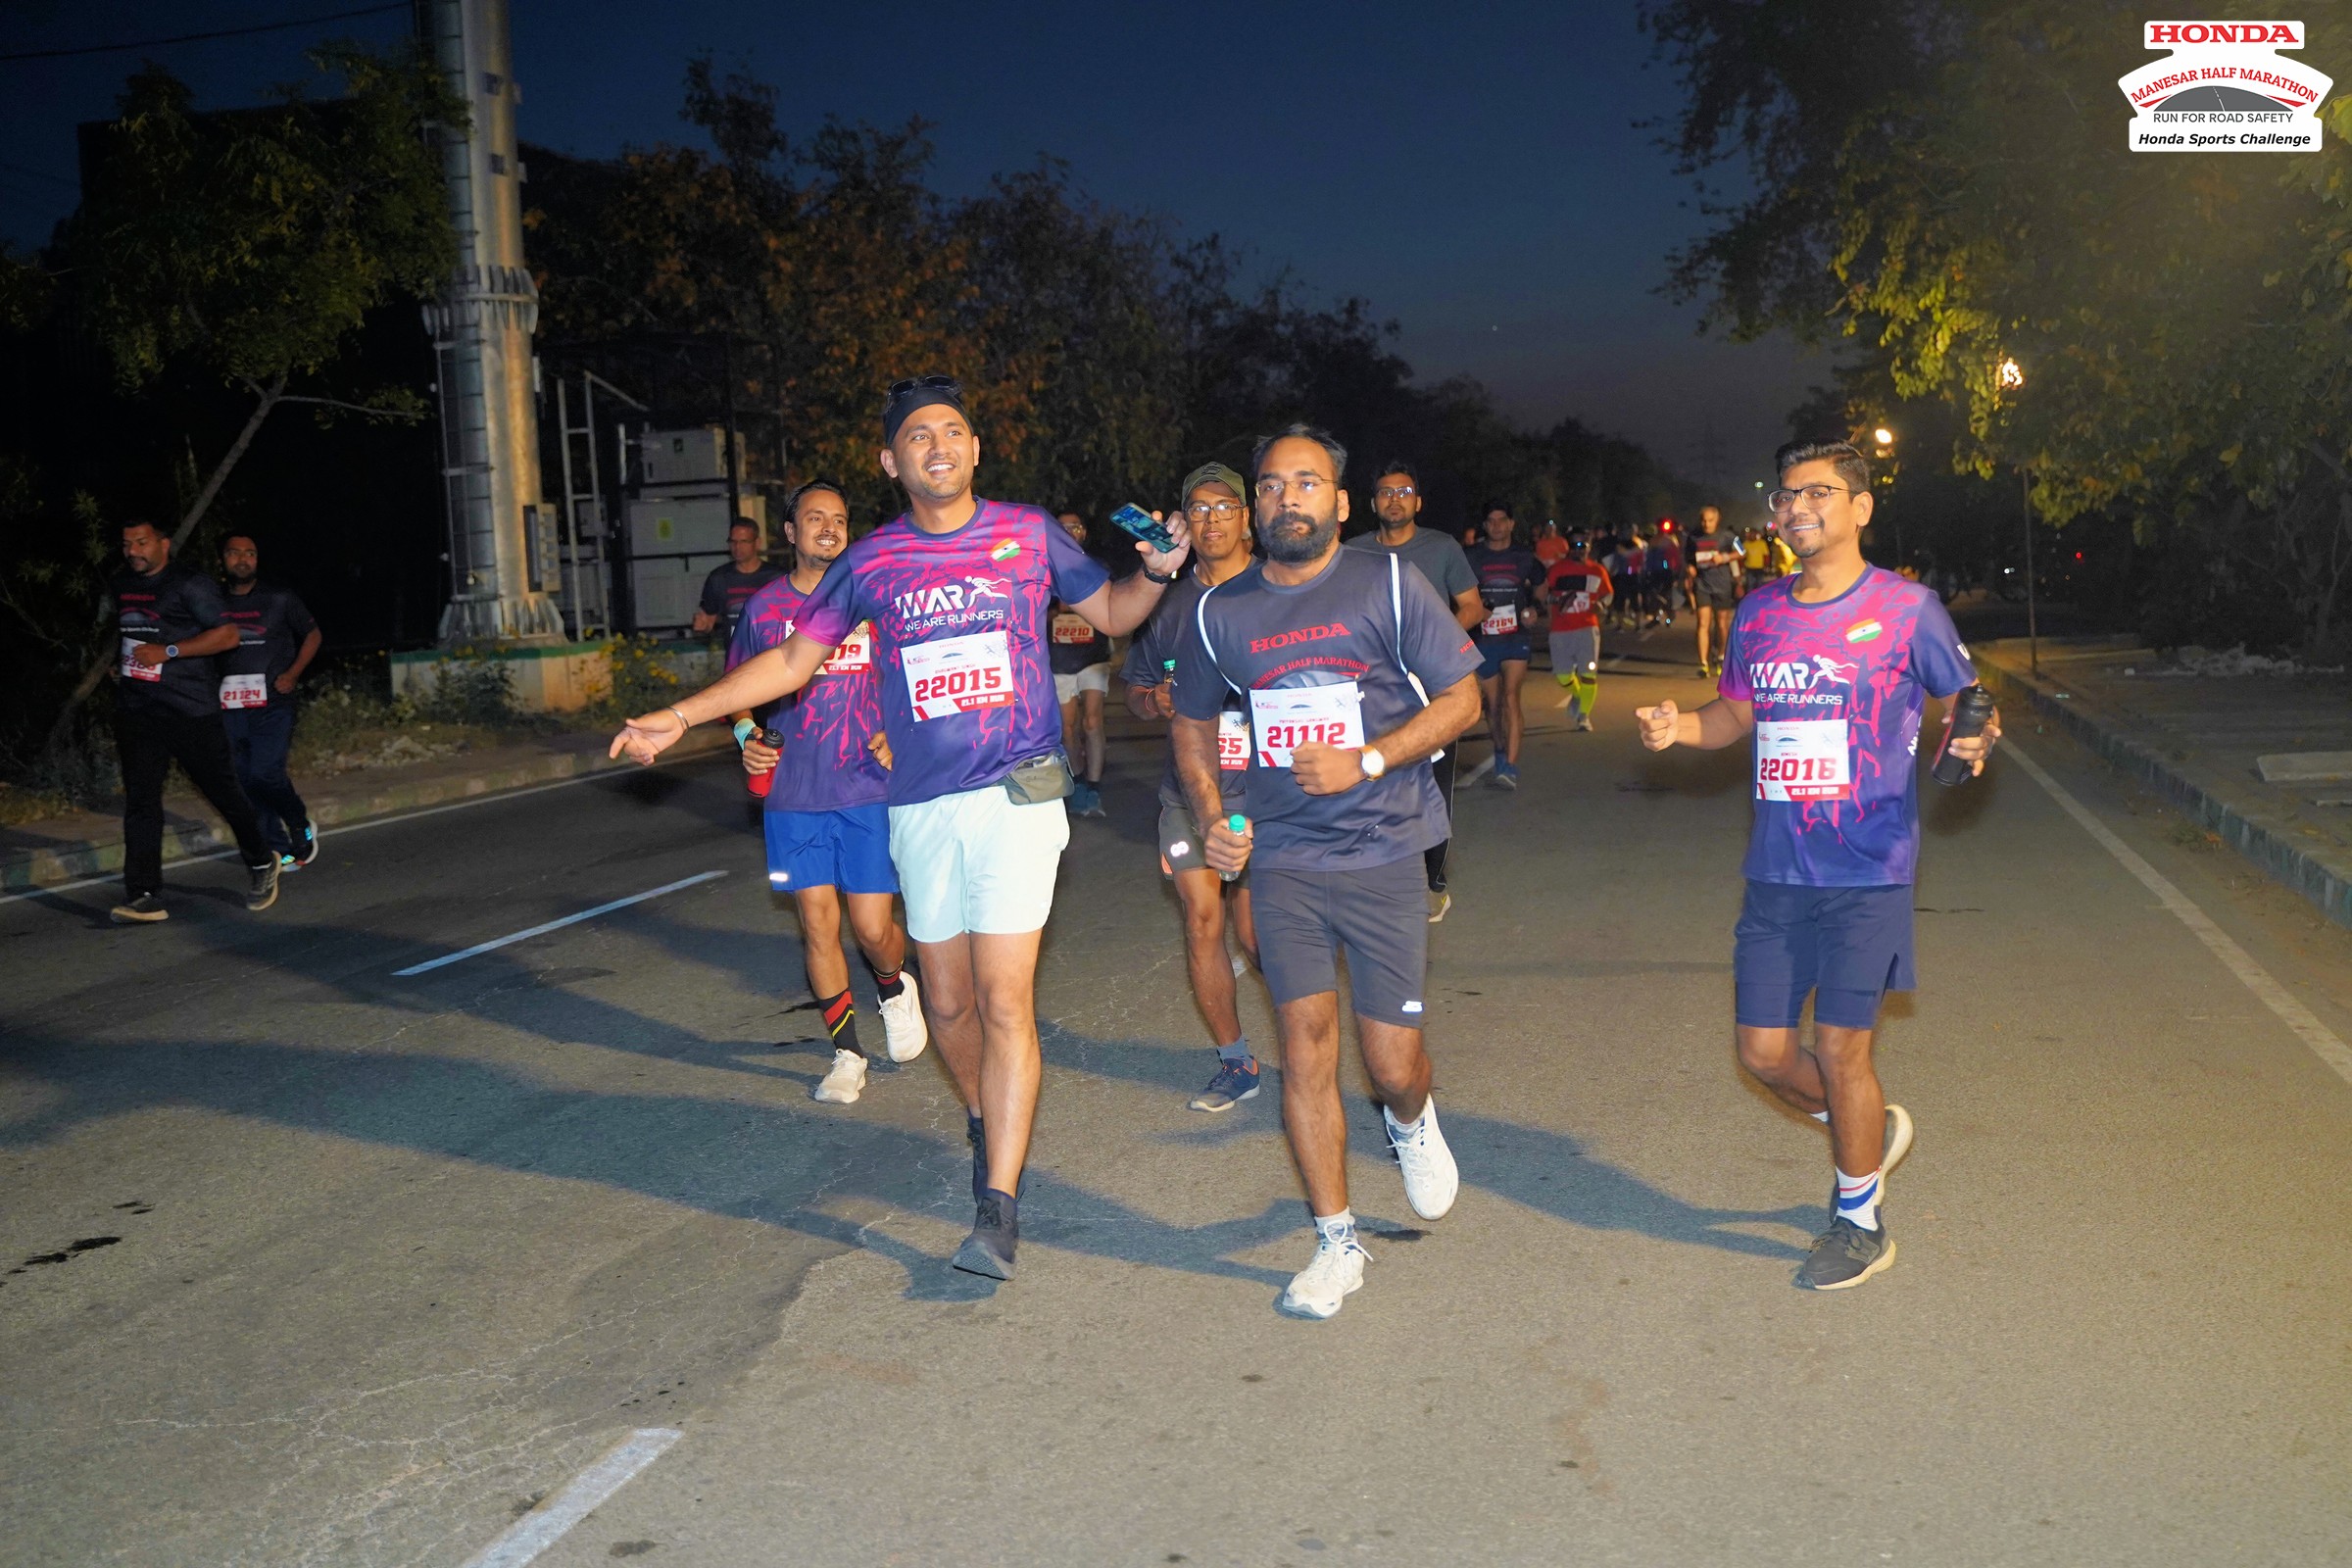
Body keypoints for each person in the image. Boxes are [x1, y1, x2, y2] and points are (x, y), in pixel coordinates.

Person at [611, 374, 1189, 1283]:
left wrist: (1154, 571)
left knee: (1004, 999)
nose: (938, 446)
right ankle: (985, 1116)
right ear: (891, 461)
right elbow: (791, 660)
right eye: (918, 436)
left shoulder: (1027, 532)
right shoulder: (872, 561)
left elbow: (1112, 613)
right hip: (917, 804)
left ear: (975, 449)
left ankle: (996, 1206)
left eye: (952, 431)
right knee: (948, 1004)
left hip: (1018, 793)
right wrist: (679, 717)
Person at [1636, 439, 1999, 1292]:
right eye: (1786, 495)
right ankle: (1862, 1132)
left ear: (1861, 507)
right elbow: (1734, 714)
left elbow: (1966, 702)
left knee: (1841, 1047)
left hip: (1870, 867)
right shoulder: (1760, 612)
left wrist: (1974, 738)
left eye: (1818, 493)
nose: (1796, 507)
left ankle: (1859, 1220)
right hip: (1776, 870)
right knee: (1763, 1054)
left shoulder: (1908, 608)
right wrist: (1678, 728)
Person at [1175, 423, 1482, 1319]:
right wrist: (1214, 820)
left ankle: (1410, 1119)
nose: (1287, 499)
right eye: (1272, 485)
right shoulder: (1219, 613)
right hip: (1284, 860)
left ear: (1340, 504)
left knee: (1391, 1064)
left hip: (1384, 847)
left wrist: (1370, 759)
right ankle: (1335, 1242)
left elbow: (1462, 697)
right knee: (1305, 1048)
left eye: (1306, 484)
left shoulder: (1387, 583)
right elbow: (1193, 723)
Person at [729, 480, 928, 1105]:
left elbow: (915, 675)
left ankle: (894, 985)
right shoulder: (764, 609)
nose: (829, 528)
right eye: (815, 518)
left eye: (838, 519)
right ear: (791, 533)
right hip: (793, 793)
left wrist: (900, 731)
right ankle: (847, 1053)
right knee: (818, 923)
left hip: (868, 785)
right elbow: (738, 692)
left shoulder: (875, 601)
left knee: (872, 928)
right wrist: (745, 736)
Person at [1123, 462, 1262, 1112]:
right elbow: (1136, 691)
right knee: (1204, 921)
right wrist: (1155, 699)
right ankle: (1236, 1062)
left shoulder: (1277, 590)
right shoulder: (1167, 603)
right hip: (1190, 793)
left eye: (1225, 507)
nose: (1212, 520)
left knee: (1258, 937)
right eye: (1199, 509)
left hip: (1269, 794)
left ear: (1247, 518)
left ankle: (1305, 1039)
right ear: (1183, 521)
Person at [104, 520, 281, 923]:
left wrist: (167, 651)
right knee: (142, 801)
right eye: (127, 543)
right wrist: (122, 664)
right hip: (138, 709)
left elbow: (228, 636)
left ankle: (261, 860)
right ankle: (144, 894)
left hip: (189, 709)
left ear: (164, 544)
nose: (133, 551)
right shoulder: (122, 584)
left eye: (142, 542)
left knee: (222, 792)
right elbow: (131, 632)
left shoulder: (190, 584)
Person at [1345, 461, 1481, 922]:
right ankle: (1371, 876)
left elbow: (1472, 607)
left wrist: (1435, 647)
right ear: (1373, 503)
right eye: (1386, 492)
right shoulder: (1353, 552)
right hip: (1370, 686)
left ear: (1418, 502)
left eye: (1404, 492)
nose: (1395, 499)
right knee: (1368, 774)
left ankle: (1433, 882)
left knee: (1433, 787)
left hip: (1432, 687)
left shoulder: (1441, 548)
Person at [218, 534, 322, 869]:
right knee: (244, 780)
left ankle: (299, 823)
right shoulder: (214, 602)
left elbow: (313, 634)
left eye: (250, 553)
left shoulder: (279, 598)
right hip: (229, 708)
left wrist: (292, 674)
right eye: (235, 553)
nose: (243, 559)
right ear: (223, 559)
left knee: (265, 773)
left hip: (273, 704)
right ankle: (277, 848)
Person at [1464, 502, 1544, 790]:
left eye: (1502, 520)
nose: (1497, 525)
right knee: (1493, 705)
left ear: (1511, 524)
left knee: (1511, 697)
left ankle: (1509, 766)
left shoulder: (1524, 556)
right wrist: (1474, 610)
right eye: (1491, 521)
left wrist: (1535, 607)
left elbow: (1541, 584)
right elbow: (1458, 590)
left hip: (1515, 637)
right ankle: (1499, 748)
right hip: (1484, 638)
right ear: (1485, 525)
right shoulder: (1471, 556)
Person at [1049, 510, 1112, 818]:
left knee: (1092, 721)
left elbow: (1112, 606)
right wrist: (1054, 612)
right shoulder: (1043, 568)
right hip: (1058, 660)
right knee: (1068, 728)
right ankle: (1078, 782)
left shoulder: (1097, 566)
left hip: (1093, 657)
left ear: (1084, 532)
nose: (1069, 532)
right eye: (1062, 528)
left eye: (1074, 527)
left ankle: (1094, 786)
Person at [1542, 531, 1611, 731]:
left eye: (1583, 546)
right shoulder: (1556, 570)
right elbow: (1543, 594)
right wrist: (1557, 601)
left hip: (1587, 628)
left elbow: (1608, 593)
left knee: (1588, 673)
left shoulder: (1597, 570)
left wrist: (1602, 605)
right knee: (1563, 676)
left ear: (1589, 547)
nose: (1578, 550)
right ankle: (1579, 695)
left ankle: (1583, 716)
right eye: (1574, 546)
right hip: (1560, 629)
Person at [692, 517, 785, 646]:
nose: (737, 547)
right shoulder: (719, 578)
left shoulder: (777, 578)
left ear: (757, 543)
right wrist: (701, 627)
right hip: (736, 654)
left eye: (744, 542)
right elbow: (707, 620)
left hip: (771, 653)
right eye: (733, 542)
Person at [1686, 505, 1743, 679]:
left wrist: (1724, 557)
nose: (1706, 524)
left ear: (1717, 520)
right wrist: (1690, 568)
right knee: (1703, 623)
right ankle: (1703, 664)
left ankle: (1721, 657)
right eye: (1703, 520)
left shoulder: (1727, 536)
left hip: (1722, 585)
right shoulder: (1693, 537)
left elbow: (1742, 551)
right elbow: (1688, 558)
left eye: (1710, 520)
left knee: (1722, 624)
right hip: (1702, 584)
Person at [1642, 523, 1684, 626]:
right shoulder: (1655, 541)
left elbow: (1676, 557)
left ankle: (1668, 616)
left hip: (1666, 572)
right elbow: (1648, 558)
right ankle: (1657, 617)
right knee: (1655, 595)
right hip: (1655, 572)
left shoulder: (1668, 541)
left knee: (1665, 595)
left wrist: (1676, 571)